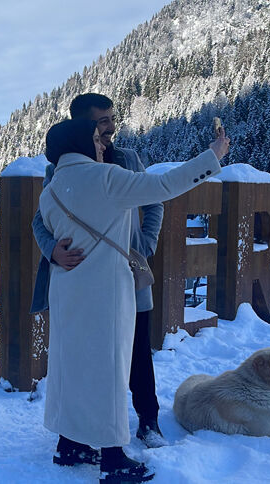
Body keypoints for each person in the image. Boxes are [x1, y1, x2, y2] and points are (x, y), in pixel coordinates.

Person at [39, 118, 227, 483]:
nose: (101, 145)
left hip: (65, 287)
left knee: (71, 365)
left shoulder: (51, 189)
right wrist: (213, 156)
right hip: (105, 290)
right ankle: (112, 457)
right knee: (110, 369)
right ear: (79, 143)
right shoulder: (106, 178)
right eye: (94, 139)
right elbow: (163, 186)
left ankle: (69, 445)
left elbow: (49, 231)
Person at [31, 93, 166, 450]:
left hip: (126, 273)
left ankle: (148, 421)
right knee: (83, 355)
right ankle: (74, 436)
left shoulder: (127, 159)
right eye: (101, 121)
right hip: (82, 281)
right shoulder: (60, 169)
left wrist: (146, 243)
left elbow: (154, 201)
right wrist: (52, 250)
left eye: (112, 118)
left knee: (137, 352)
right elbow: (40, 220)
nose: (111, 127)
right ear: (83, 126)